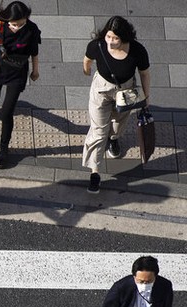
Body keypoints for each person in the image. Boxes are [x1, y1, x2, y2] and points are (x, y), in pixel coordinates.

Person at [81, 16, 151, 194]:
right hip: (101, 90)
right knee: (98, 131)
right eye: (108, 37)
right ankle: (94, 172)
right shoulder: (97, 45)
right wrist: (87, 71)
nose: (110, 42)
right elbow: (87, 59)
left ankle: (113, 139)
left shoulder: (137, 51)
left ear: (124, 37)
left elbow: (144, 73)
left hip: (125, 91)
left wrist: (146, 96)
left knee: (119, 124)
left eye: (115, 39)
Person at [0, 1, 41, 169]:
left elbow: (34, 51)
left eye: (21, 24)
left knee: (6, 113)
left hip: (17, 74)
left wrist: (35, 70)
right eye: (14, 24)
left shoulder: (32, 29)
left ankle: (3, 148)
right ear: (7, 20)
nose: (17, 27)